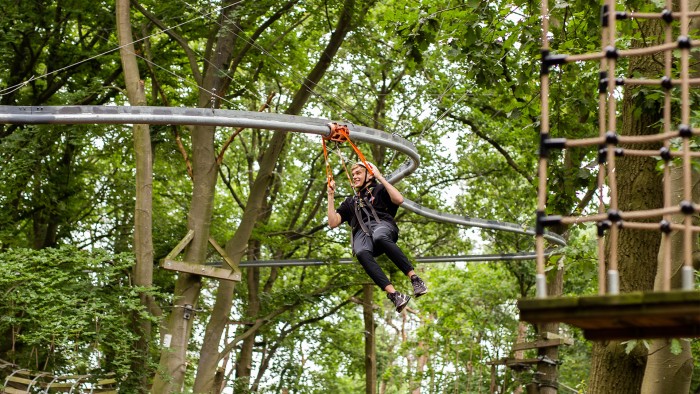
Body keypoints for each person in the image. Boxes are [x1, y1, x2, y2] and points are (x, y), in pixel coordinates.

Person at [327, 161, 427, 313]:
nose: (354, 176)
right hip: (362, 233)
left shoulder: (380, 190)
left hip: (382, 225)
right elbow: (333, 222)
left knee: (379, 236)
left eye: (358, 173)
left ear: (369, 174)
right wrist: (330, 195)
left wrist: (379, 176)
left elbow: (399, 200)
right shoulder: (350, 202)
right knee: (360, 252)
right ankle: (394, 295)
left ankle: (415, 278)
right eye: (353, 174)